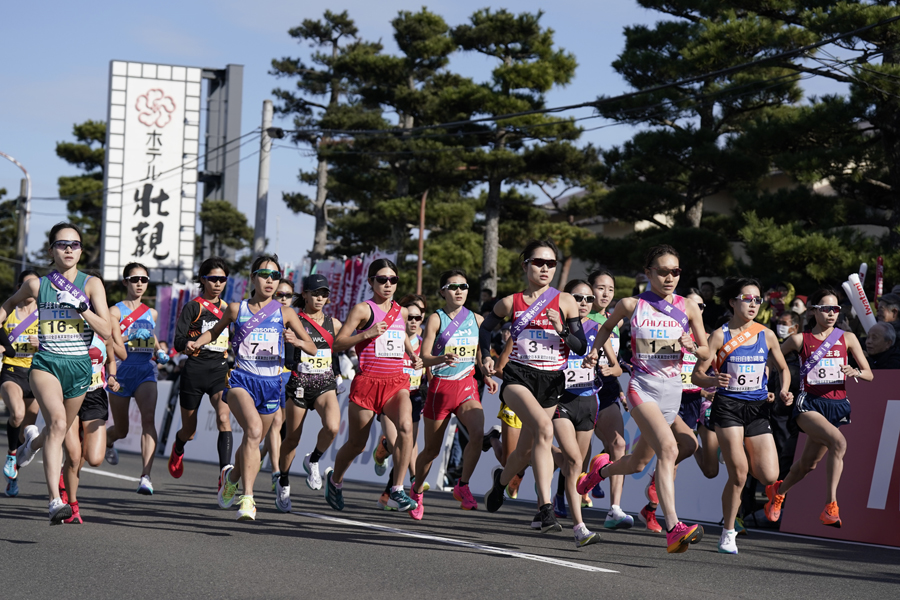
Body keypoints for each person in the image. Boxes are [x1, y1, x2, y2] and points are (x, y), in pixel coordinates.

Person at [581, 244, 709, 553]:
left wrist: (691, 346)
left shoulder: (688, 307)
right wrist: (595, 350)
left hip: (672, 392)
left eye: (675, 272)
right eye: (663, 271)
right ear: (648, 272)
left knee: (638, 463)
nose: (669, 277)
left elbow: (706, 351)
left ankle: (600, 472)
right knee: (669, 448)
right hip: (642, 389)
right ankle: (674, 527)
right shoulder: (630, 304)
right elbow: (606, 327)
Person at [187, 255, 317, 521]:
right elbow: (215, 331)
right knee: (255, 431)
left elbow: (313, 347)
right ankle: (248, 498)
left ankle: (231, 478)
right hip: (241, 381)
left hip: (271, 384)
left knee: (253, 440)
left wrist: (297, 341)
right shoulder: (237, 309)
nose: (270, 281)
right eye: (264, 275)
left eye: (275, 276)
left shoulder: (286, 312)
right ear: (252, 278)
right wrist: (198, 342)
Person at [479, 239, 588, 536]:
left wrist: (562, 329)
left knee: (525, 451)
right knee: (544, 427)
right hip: (518, 377)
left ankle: (500, 483)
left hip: (551, 380)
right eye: (538, 262)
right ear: (525, 264)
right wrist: (487, 357)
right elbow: (486, 328)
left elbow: (580, 347)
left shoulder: (565, 301)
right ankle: (545, 508)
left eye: (551, 263)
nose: (544, 268)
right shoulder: (509, 302)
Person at [8, 222, 113, 524]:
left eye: (75, 244)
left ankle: (31, 443)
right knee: (57, 423)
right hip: (47, 364)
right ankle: (55, 500)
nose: (69, 249)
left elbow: (106, 331)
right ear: (51, 250)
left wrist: (82, 307)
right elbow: (10, 304)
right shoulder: (37, 285)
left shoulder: (91, 284)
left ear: (81, 251)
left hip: (79, 368)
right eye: (62, 244)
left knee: (57, 430)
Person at [690, 278, 793, 554]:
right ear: (733, 302)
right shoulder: (720, 335)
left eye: (757, 300)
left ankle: (741, 456)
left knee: (770, 475)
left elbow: (783, 369)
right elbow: (696, 375)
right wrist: (713, 382)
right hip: (728, 407)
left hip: (757, 409)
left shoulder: (767, 334)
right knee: (739, 474)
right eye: (747, 299)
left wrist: (783, 391)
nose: (753, 304)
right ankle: (728, 531)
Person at [766, 289, 873, 528]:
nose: (832, 313)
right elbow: (771, 359)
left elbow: (869, 374)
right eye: (826, 309)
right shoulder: (799, 340)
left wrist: (855, 372)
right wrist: (781, 386)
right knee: (839, 443)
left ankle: (778, 493)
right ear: (813, 311)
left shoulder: (848, 338)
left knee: (807, 465)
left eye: (836, 309)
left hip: (836, 406)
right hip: (809, 405)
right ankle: (830, 506)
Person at [325, 259, 422, 512]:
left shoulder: (401, 312)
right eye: (382, 279)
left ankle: (397, 489)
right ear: (371, 282)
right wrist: (367, 334)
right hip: (367, 384)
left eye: (393, 280)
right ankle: (335, 481)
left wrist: (411, 354)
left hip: (395, 383)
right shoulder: (362, 310)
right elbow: (337, 344)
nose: (388, 284)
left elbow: (400, 335)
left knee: (405, 427)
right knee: (357, 444)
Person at [408, 270, 495, 519]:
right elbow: (423, 356)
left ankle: (463, 485)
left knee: (477, 433)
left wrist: (485, 373)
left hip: (466, 386)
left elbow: (480, 353)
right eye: (453, 286)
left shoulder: (477, 319)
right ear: (443, 291)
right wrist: (440, 358)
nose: (459, 291)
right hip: (440, 388)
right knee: (431, 451)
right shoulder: (436, 319)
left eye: (464, 286)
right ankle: (416, 490)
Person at [549, 278, 622, 547]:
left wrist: (604, 368)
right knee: (573, 461)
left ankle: (544, 451)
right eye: (578, 298)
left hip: (589, 401)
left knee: (575, 464)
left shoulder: (599, 329)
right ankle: (579, 527)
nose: (583, 303)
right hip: (560, 400)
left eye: (588, 299)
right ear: (567, 299)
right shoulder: (552, 325)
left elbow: (617, 367)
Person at [276, 274, 344, 512]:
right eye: (315, 293)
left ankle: (313, 459)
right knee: (292, 439)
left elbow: (347, 344)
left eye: (324, 294)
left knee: (333, 427)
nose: (320, 298)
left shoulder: (334, 324)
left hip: (325, 383)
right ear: (303, 294)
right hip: (299, 383)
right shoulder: (293, 319)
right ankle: (283, 480)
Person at [105, 263, 170, 495]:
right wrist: (131, 334)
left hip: (145, 370)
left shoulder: (151, 312)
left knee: (149, 419)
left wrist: (159, 349)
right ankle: (108, 441)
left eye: (144, 279)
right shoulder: (114, 311)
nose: (140, 283)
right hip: (121, 372)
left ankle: (146, 476)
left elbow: (152, 336)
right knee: (121, 430)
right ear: (125, 282)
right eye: (135, 279)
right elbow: (110, 338)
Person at [168, 257, 233, 486]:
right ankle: (178, 445)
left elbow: (235, 338)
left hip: (219, 371)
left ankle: (224, 473)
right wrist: (187, 344)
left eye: (222, 279)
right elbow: (177, 341)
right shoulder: (193, 307)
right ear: (203, 280)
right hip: (194, 372)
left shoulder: (229, 309)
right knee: (190, 430)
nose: (217, 284)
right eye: (213, 279)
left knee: (224, 417)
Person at [61, 319, 126, 524]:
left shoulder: (103, 333)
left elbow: (111, 360)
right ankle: (71, 505)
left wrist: (113, 378)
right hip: (69, 396)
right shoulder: (67, 331)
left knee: (95, 459)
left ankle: (65, 478)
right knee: (73, 456)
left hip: (94, 397)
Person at [585, 269, 634, 530]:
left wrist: (618, 380)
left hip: (607, 389)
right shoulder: (578, 315)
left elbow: (617, 361)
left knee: (618, 444)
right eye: (600, 288)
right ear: (589, 289)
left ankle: (614, 509)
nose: (605, 294)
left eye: (611, 289)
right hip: (578, 389)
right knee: (577, 454)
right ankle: (560, 497)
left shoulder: (617, 321)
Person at [376, 294, 427, 509]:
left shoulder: (426, 344)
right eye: (410, 316)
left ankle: (388, 494)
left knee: (405, 446)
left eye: (419, 317)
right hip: (391, 397)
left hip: (414, 399)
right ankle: (412, 481)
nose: (413, 321)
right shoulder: (390, 336)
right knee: (399, 440)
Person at [2, 269, 40, 498]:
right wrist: (4, 347)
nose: (32, 289)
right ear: (19, 288)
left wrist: (42, 342)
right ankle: (9, 455)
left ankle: (13, 476)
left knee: (26, 434)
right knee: (16, 414)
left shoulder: (45, 314)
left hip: (36, 375)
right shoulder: (8, 311)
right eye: (27, 285)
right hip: (11, 372)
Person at [261, 278, 295, 489]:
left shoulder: (296, 319)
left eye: (288, 295)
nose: (283, 299)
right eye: (279, 294)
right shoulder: (263, 317)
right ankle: (275, 472)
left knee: (282, 425)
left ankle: (260, 454)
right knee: (275, 423)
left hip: (291, 378)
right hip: (269, 376)